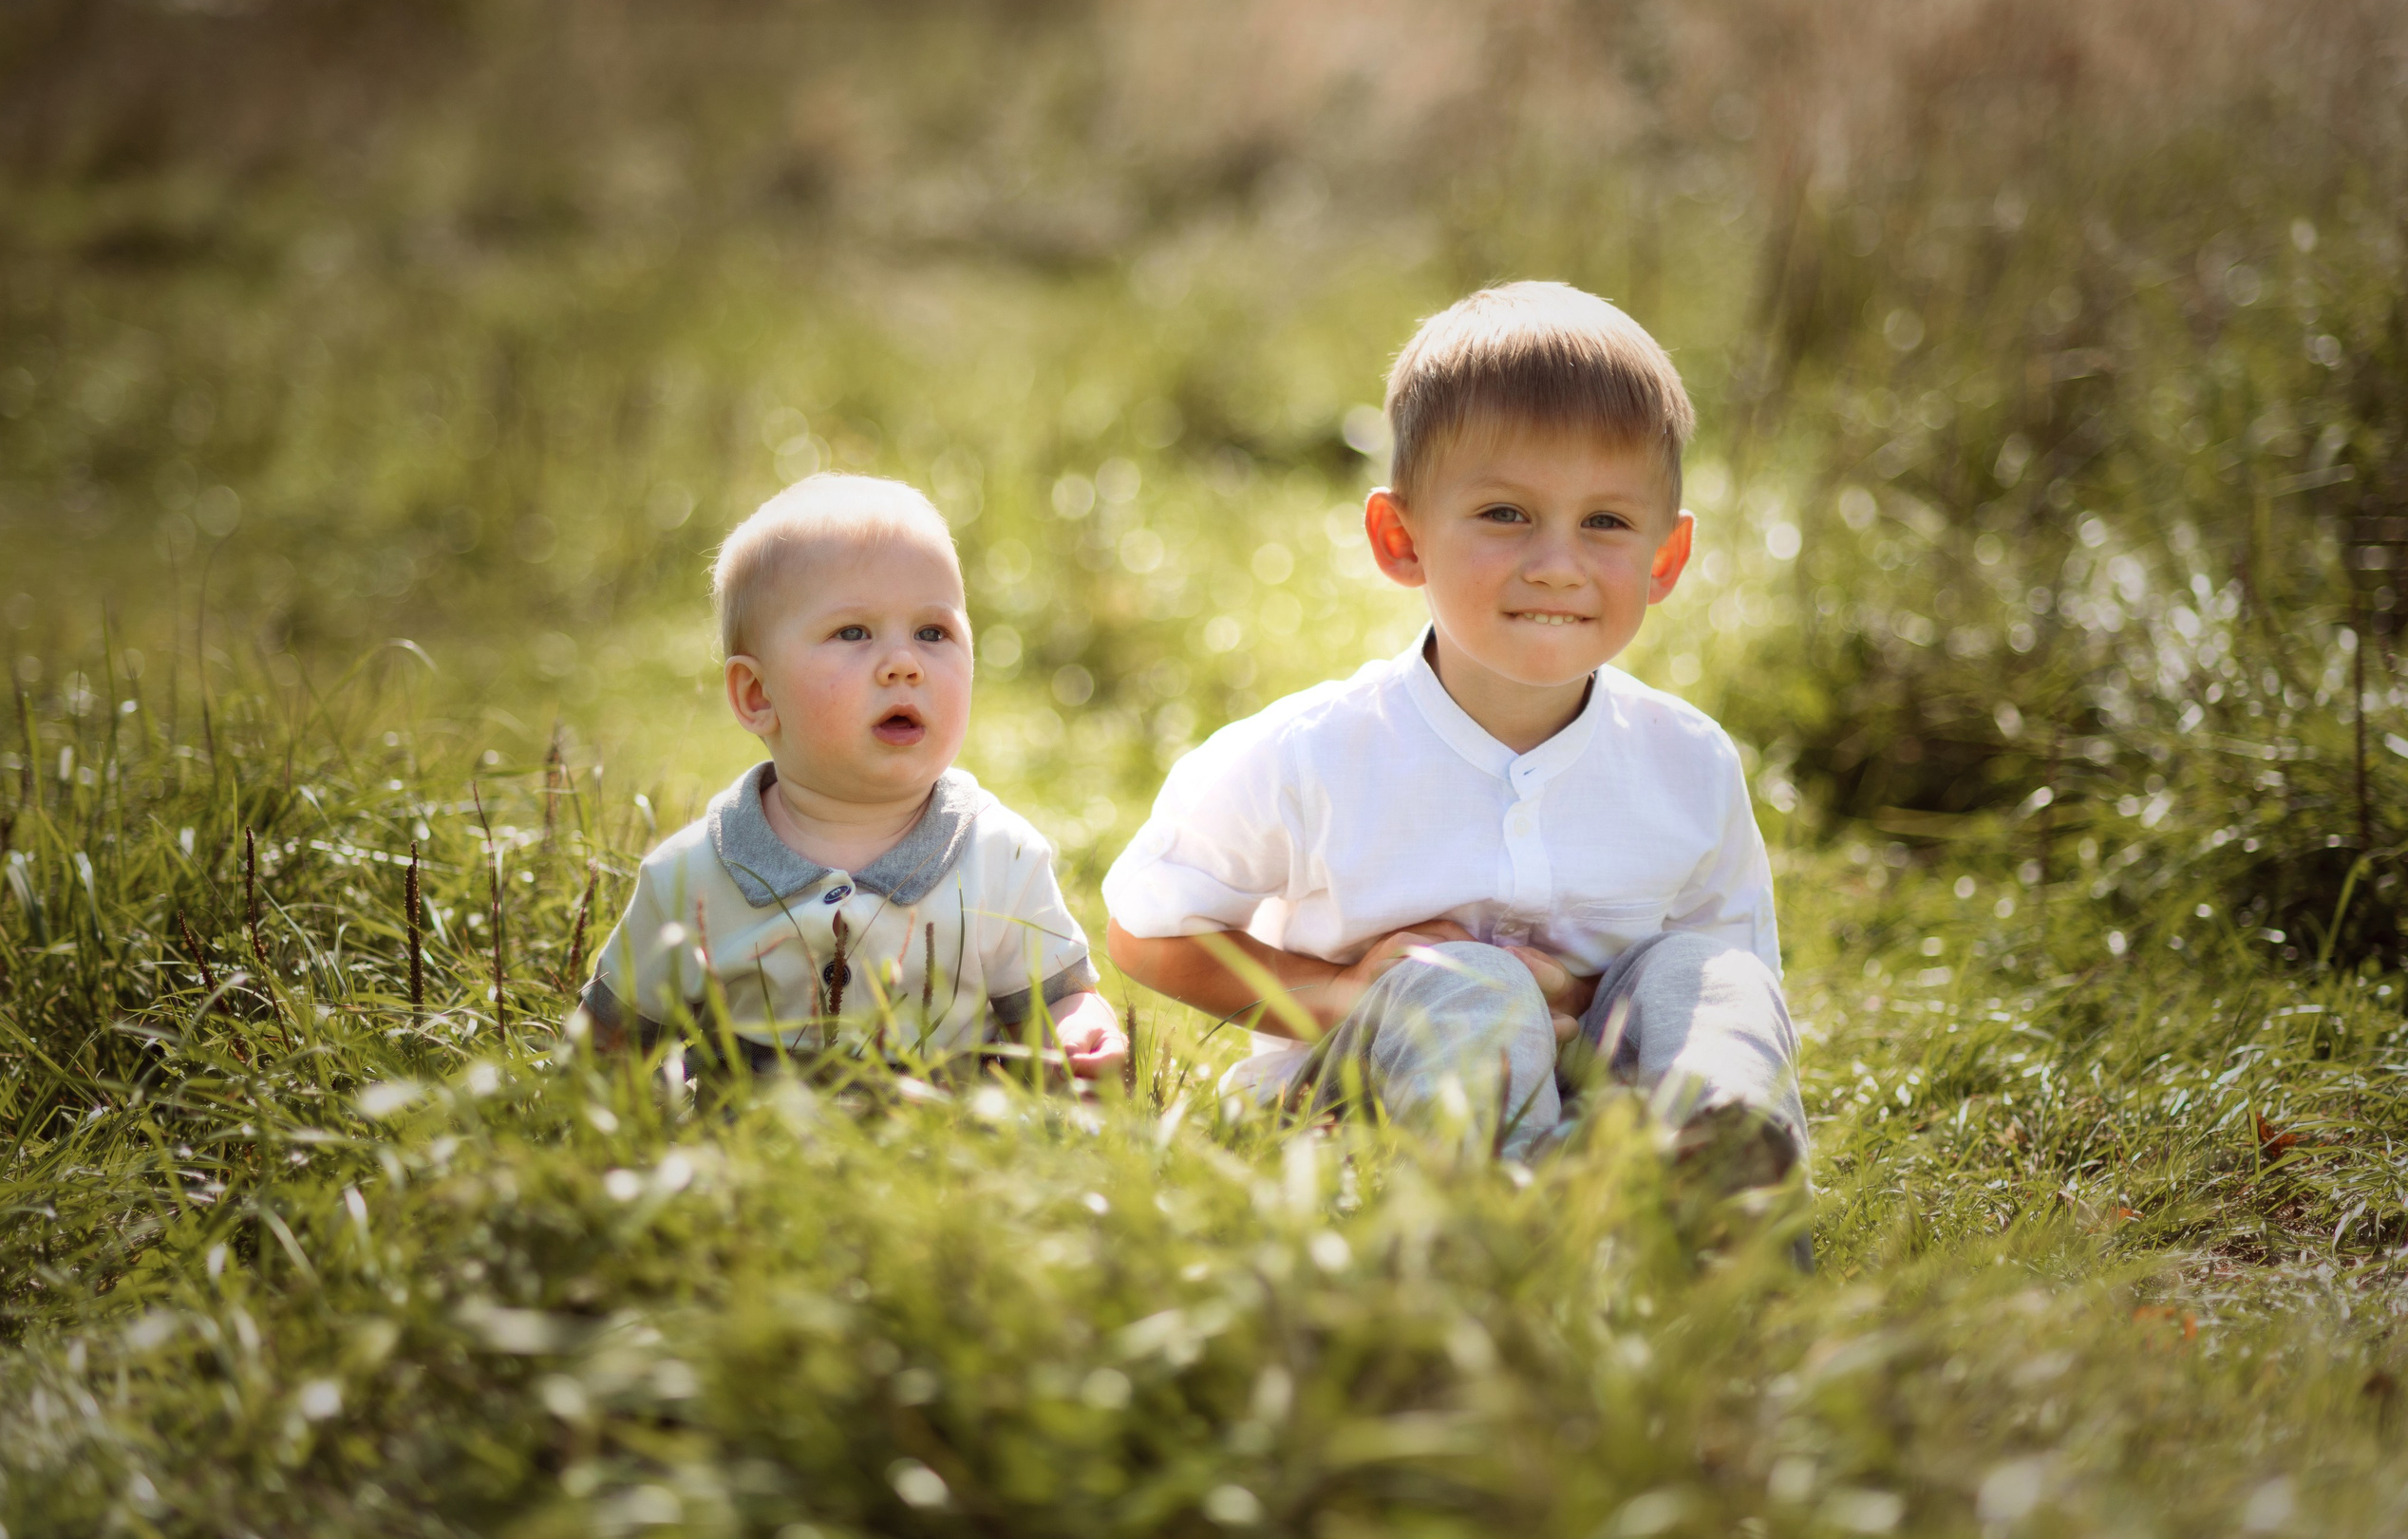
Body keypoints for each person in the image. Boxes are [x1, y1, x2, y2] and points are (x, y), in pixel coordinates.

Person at [1102, 281, 1804, 1187]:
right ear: (1401, 538)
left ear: (1664, 557)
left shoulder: (1689, 764)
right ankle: (1507, 1231)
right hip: (1358, 1110)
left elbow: (1732, 989)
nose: (1557, 565)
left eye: (1606, 522)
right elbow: (1146, 931)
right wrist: (1344, 992)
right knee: (1468, 981)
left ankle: (1725, 1206)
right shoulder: (1314, 753)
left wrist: (1578, 997)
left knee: (1708, 977)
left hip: (1613, 1108)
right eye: (1506, 514)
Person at [578, 473, 1128, 1081]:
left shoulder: (1000, 857)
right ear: (758, 693)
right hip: (740, 1164)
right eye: (853, 633)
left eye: (932, 632)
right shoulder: (691, 877)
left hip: (949, 1163)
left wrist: (1080, 1031)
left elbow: (1054, 1001)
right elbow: (609, 1042)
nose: (903, 664)